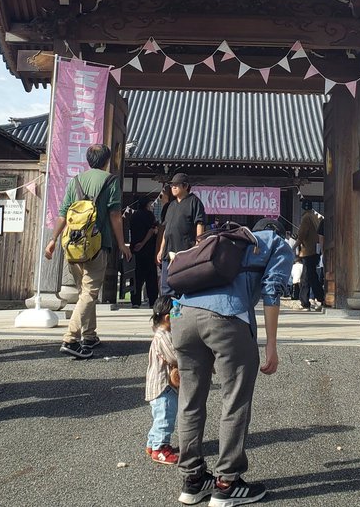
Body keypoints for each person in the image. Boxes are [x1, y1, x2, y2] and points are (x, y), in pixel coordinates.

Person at [173, 225, 293, 505]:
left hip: (183, 317)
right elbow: (272, 290)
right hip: (227, 317)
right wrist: (271, 344)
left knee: (190, 399)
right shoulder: (276, 243)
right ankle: (227, 482)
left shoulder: (218, 239)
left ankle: (193, 480)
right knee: (234, 399)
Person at [44, 144, 129, 359]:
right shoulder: (110, 180)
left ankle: (89, 335)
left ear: (88, 160)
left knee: (84, 291)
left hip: (72, 246)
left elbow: (63, 213)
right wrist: (122, 244)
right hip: (96, 245)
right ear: (106, 161)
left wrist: (53, 240)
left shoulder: (76, 181)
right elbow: (115, 215)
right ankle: (71, 338)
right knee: (90, 293)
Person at [157, 172, 206, 296]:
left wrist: (198, 244)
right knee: (166, 285)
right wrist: (161, 249)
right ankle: (167, 311)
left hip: (184, 250)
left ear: (185, 186)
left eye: (176, 185)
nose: (173, 187)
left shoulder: (194, 202)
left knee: (183, 283)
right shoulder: (171, 205)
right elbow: (167, 228)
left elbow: (199, 223)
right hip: (168, 251)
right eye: (172, 185)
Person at [145, 295, 180, 465]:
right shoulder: (163, 336)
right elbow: (174, 357)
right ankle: (160, 449)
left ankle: (152, 443)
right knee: (165, 417)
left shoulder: (160, 333)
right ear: (168, 318)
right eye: (178, 314)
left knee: (159, 417)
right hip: (163, 386)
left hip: (158, 386)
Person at [128, 196, 159, 309]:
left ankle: (135, 301)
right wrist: (143, 243)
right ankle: (152, 301)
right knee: (151, 277)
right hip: (148, 249)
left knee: (136, 277)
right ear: (146, 205)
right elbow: (151, 230)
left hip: (134, 250)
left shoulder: (133, 216)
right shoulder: (149, 215)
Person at [295, 202, 322, 311]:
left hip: (308, 250)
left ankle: (305, 302)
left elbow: (302, 234)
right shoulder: (315, 217)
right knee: (312, 276)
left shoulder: (306, 217)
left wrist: (294, 246)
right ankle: (320, 297)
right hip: (315, 249)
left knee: (306, 277)